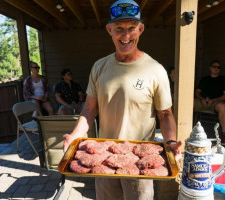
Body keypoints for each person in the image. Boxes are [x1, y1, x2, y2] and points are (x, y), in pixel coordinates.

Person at [63, 0, 182, 199]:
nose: (125, 35)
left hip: (139, 162)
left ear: (141, 29)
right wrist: (74, 135)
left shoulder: (155, 70)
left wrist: (170, 142)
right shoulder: (99, 67)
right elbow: (90, 109)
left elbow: (165, 113)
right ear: (109, 29)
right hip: (103, 160)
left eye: (131, 28)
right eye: (119, 28)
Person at [194, 60, 225, 144]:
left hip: (215, 102)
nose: (216, 69)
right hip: (202, 101)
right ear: (210, 68)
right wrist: (202, 99)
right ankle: (184, 128)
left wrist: (213, 100)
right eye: (214, 67)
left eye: (218, 67)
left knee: (222, 106)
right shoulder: (204, 79)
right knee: (188, 103)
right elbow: (197, 92)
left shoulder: (224, 80)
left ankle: (224, 134)